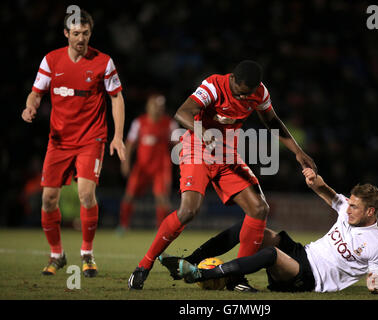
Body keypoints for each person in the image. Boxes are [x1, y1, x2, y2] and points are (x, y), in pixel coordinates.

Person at [128, 60, 316, 291]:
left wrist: (298, 152)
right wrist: (203, 132)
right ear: (233, 80)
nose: (243, 99)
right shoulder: (213, 86)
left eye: (248, 96)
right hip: (197, 148)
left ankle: (236, 278)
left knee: (259, 209)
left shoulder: (259, 93)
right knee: (188, 211)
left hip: (226, 154)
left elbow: (272, 121)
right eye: (240, 93)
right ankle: (143, 266)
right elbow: (182, 112)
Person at [159, 168, 378, 294]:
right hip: (303, 254)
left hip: (311, 278)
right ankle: (189, 261)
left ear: (370, 212)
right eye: (349, 203)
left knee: (272, 255)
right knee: (251, 228)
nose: (348, 209)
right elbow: (330, 195)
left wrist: (376, 285)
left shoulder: (376, 245)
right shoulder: (347, 210)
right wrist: (314, 181)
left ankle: (203, 274)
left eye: (355, 207)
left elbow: (376, 283)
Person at [21, 9, 125, 277]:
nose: (81, 38)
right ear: (66, 33)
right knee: (48, 200)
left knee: (86, 194)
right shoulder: (51, 61)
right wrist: (29, 107)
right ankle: (57, 255)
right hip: (59, 141)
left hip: (92, 139)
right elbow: (35, 93)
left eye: (86, 33)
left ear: (91, 33)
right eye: (76, 33)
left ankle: (87, 253)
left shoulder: (103, 62)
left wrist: (117, 136)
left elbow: (116, 98)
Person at [117, 94, 177, 232]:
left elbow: (177, 144)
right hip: (142, 167)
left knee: (162, 198)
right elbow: (130, 144)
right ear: (148, 107)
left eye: (160, 107)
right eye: (155, 106)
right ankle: (123, 225)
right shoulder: (139, 122)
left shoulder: (170, 123)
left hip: (161, 167)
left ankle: (163, 229)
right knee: (129, 195)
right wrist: (125, 163)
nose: (157, 109)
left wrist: (182, 163)